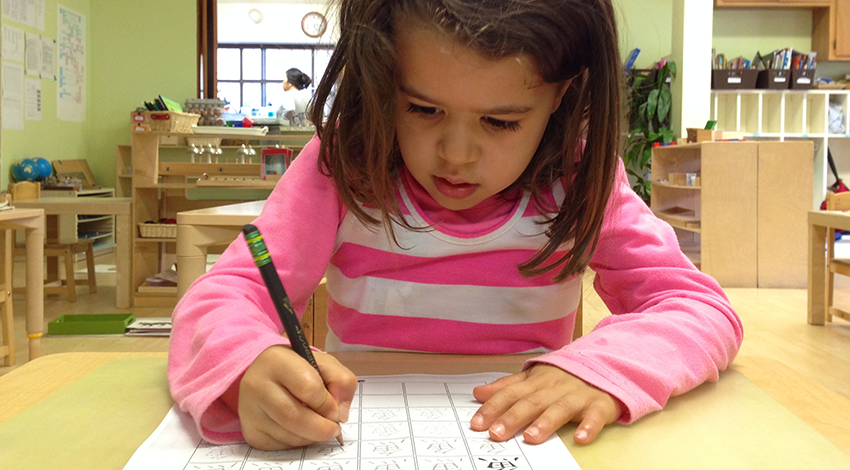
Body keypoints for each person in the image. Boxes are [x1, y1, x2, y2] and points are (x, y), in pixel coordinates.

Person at [169, 0, 743, 452]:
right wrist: (246, 364)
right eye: (422, 109)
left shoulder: (578, 173)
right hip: (361, 442)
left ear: (561, 93)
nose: (457, 154)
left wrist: (601, 370)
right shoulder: (346, 162)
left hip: (522, 446)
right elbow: (225, 295)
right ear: (384, 78)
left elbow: (699, 309)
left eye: (500, 121)